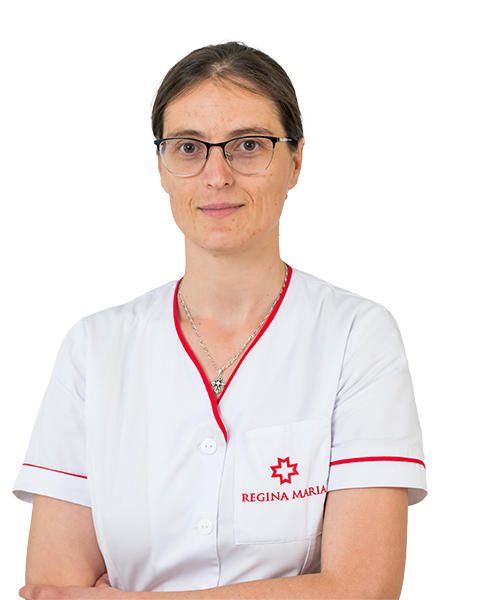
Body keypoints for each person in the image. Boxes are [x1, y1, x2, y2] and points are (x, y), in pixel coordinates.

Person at [14, 40, 427, 600]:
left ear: (295, 162)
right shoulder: (95, 348)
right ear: (162, 167)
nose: (217, 175)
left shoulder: (356, 336)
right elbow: (51, 590)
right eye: (188, 148)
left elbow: (363, 589)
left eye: (248, 145)